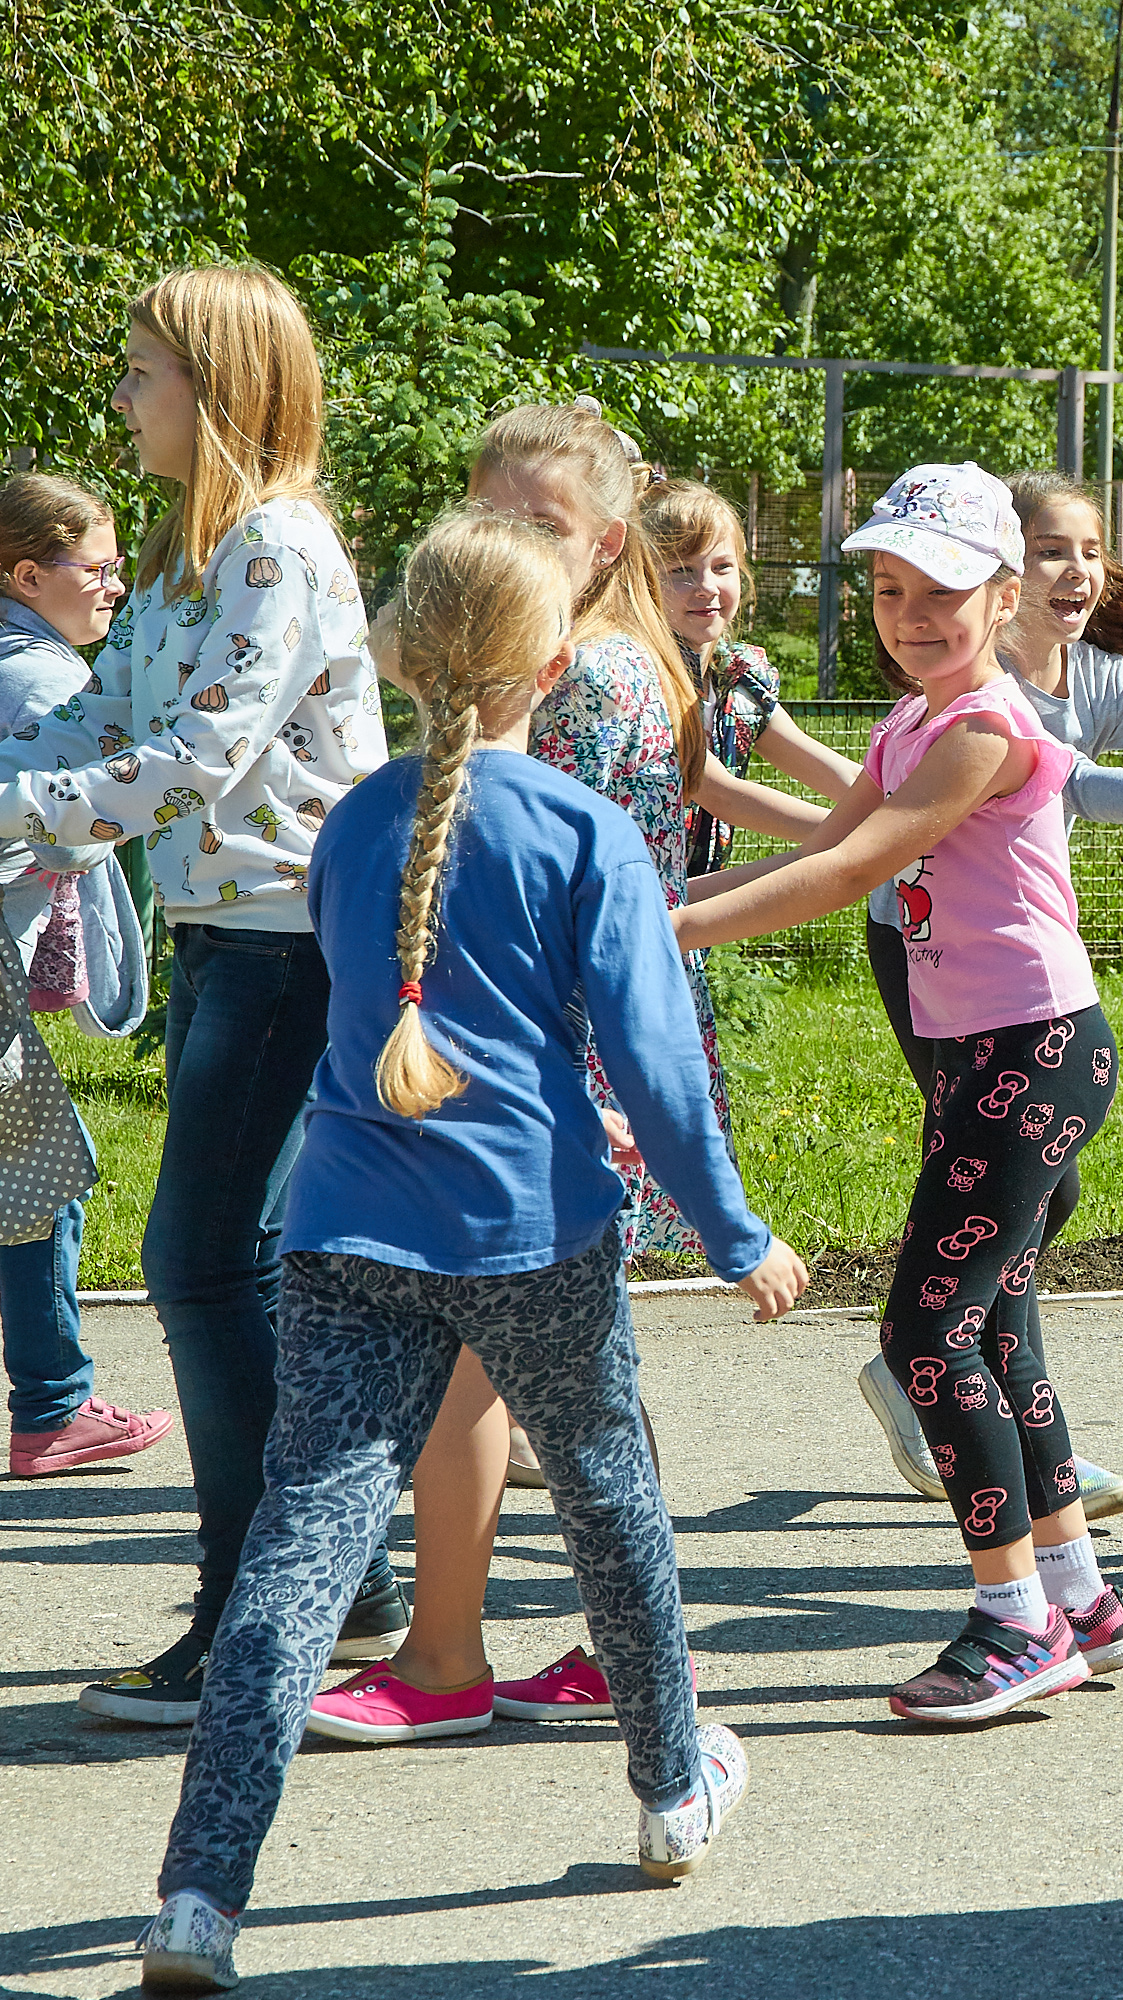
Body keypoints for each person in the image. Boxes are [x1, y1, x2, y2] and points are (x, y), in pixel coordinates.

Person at [134, 507, 806, 1995]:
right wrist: (735, 1230)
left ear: (399, 652)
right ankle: (671, 1787)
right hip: (536, 1229)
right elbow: (652, 1061)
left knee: (298, 1562)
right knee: (610, 1501)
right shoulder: (587, 830)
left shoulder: (356, 819)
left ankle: (195, 1898)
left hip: (347, 1230)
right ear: (554, 662)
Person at [304, 402, 827, 1745]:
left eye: (540, 525)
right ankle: (592, 1644)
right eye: (493, 514)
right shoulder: (617, 652)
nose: (510, 540)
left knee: (506, 1379)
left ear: (603, 541)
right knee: (570, 1386)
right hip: (571, 1055)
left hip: (560, 1064)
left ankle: (453, 1660)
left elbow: (584, 889)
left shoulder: (579, 675)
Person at [681, 463, 1123, 1721]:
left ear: (1004, 597)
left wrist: (672, 935)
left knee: (923, 1333)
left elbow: (858, 873)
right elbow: (832, 831)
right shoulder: (914, 722)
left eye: (942, 589)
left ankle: (1014, 1619)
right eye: (890, 589)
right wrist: (691, 832)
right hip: (992, 1053)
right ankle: (1078, 1594)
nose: (912, 613)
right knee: (995, 1325)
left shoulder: (989, 727)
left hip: (1032, 1052)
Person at [14, 269, 406, 1723]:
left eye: (140, 372)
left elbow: (197, 759)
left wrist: (27, 814)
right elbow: (99, 717)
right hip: (221, 939)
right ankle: (342, 1583)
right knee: (234, 1258)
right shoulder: (192, 555)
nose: (120, 396)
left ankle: (262, 1600)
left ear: (220, 389)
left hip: (291, 943)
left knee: (195, 1259)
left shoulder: (277, 553)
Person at [843, 468, 1123, 1520]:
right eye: (1056, 546)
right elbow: (845, 850)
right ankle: (1055, 1557)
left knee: (974, 1275)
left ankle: (1028, 1571)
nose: (1078, 569)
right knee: (986, 1268)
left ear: (997, 591)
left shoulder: (1046, 694)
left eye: (1089, 551)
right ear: (1019, 571)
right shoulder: (940, 701)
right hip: (928, 955)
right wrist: (666, 902)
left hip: (1027, 1017)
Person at [0, 472, 168, 1477]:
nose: (111, 586)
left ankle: (56, 1400)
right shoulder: (44, 680)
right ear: (27, 572)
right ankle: (55, 1408)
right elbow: (79, 815)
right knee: (44, 1178)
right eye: (97, 568)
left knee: (38, 1173)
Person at [638, 477, 865, 883]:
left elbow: (831, 770)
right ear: (642, 580)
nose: (706, 587)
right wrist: (868, 836)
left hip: (685, 897)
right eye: (681, 571)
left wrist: (906, 809)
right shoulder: (640, 676)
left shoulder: (736, 678)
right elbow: (721, 793)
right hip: (626, 895)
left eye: (722, 567)